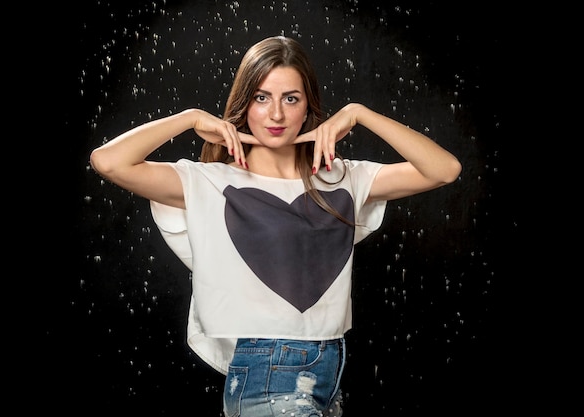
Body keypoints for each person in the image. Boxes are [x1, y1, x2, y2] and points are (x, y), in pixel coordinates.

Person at [90, 35, 462, 417]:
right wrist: (190, 118)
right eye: (261, 97)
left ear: (308, 107)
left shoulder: (340, 178)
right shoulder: (210, 182)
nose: (276, 115)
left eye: (291, 98)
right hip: (266, 371)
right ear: (244, 104)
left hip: (328, 370)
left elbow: (444, 170)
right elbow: (109, 161)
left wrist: (358, 113)